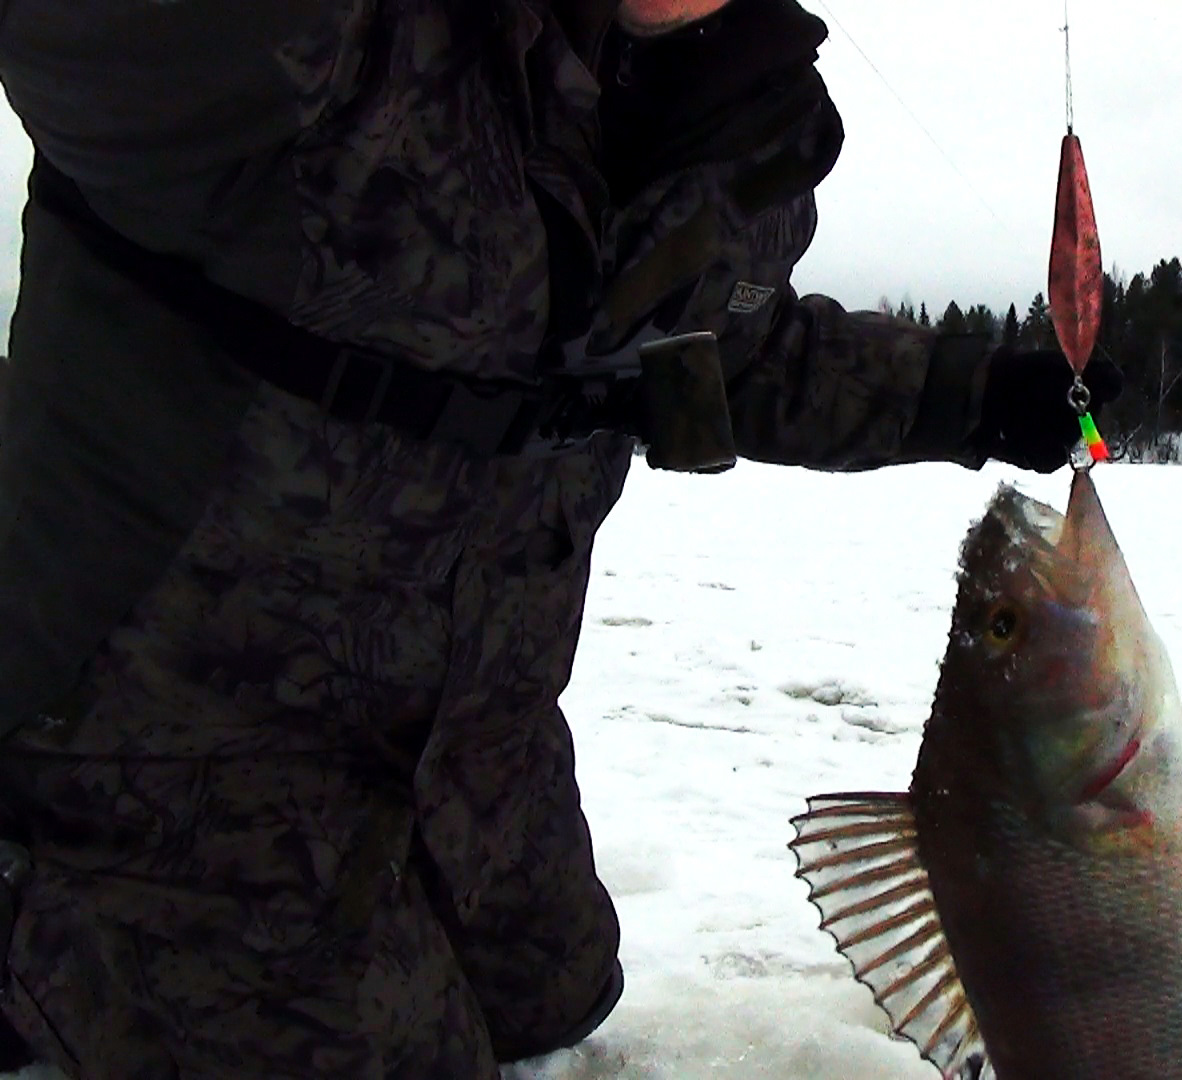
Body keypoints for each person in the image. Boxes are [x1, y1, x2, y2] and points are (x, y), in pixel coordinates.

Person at [0, 0, 1120, 1074]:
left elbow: (721, 344)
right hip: (178, 738)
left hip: (468, 728)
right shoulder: (301, 41)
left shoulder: (703, 88)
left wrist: (976, 396)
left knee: (555, 999)